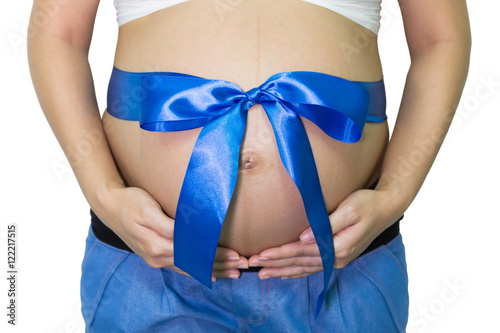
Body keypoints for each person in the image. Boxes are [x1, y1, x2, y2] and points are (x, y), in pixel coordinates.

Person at [27, 0, 471, 331]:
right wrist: (105, 195)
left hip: (343, 273)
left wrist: (394, 195)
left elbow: (440, 40)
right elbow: (57, 35)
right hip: (150, 272)